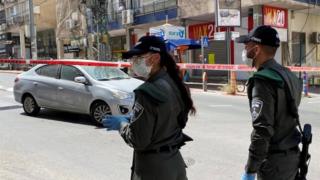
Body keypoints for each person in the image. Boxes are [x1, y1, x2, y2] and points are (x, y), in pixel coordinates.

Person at [103, 35, 196, 180]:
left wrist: (121, 124)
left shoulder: (147, 92)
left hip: (153, 170)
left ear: (155, 58)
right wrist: (134, 119)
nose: (133, 62)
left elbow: (138, 140)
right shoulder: (175, 84)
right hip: (174, 163)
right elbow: (170, 119)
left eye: (138, 57)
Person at [236, 25, 303, 180]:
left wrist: (250, 169)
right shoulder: (289, 75)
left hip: (274, 166)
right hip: (292, 158)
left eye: (247, 46)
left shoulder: (263, 81)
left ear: (257, 49)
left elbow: (262, 131)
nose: (245, 51)